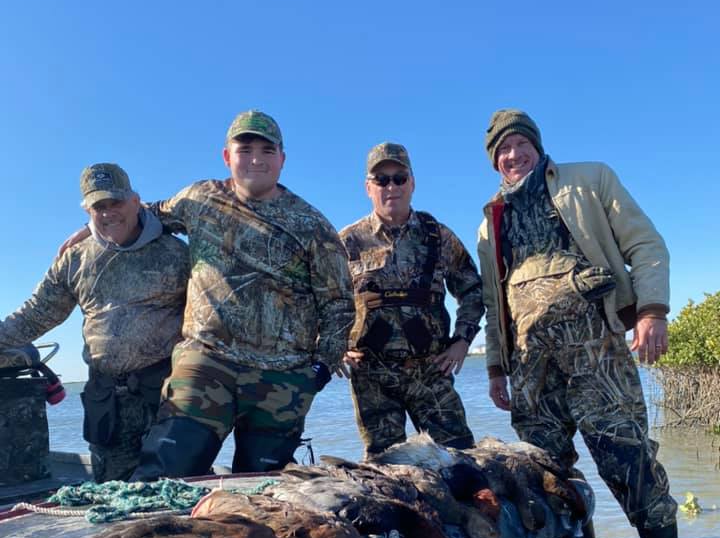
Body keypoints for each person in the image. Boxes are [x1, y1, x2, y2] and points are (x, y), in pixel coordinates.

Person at [477, 109, 679, 538]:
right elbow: (494, 301)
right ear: (494, 162)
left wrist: (651, 311)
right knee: (547, 472)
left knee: (625, 456)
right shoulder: (490, 220)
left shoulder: (589, 179)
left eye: (521, 144)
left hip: (597, 351)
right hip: (530, 366)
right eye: (503, 149)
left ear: (537, 146)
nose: (513, 154)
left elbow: (646, 244)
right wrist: (495, 368)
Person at [121, 110, 354, 478]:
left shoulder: (313, 226)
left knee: (265, 489)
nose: (256, 160)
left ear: (282, 159)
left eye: (267, 150)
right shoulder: (199, 198)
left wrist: (320, 370)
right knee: (166, 474)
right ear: (227, 156)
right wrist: (94, 229)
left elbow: (339, 304)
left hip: (282, 379)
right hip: (206, 364)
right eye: (245, 150)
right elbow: (145, 216)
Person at [0, 164, 190, 481]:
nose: (108, 212)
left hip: (167, 398)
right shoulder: (74, 259)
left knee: (177, 493)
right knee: (112, 498)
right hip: (107, 402)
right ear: (87, 211)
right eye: (99, 206)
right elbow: (35, 314)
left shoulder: (176, 253)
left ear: (135, 202)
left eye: (116, 202)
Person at [340, 142, 484, 457]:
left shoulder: (438, 236)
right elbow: (322, 300)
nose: (391, 186)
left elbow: (472, 289)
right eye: (381, 180)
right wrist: (334, 346)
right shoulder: (348, 242)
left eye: (399, 178)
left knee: (460, 460)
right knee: (385, 467)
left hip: (431, 371)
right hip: (372, 376)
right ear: (368, 188)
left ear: (412, 183)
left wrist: (462, 341)